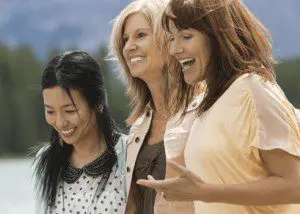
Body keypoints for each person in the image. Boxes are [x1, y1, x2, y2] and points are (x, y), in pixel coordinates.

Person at [137, 0, 300, 213]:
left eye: (186, 36)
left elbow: (294, 185)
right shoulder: (208, 101)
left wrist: (204, 191)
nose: (175, 49)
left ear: (218, 36)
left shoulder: (253, 90)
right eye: (171, 39)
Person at [109, 0, 200, 213]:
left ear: (168, 40)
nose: (129, 46)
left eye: (140, 35)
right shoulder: (138, 128)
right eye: (125, 39)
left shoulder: (203, 111)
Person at [33, 51, 127, 213]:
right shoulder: (46, 159)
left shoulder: (129, 154)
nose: (60, 122)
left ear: (98, 103)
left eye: (69, 111)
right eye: (50, 111)